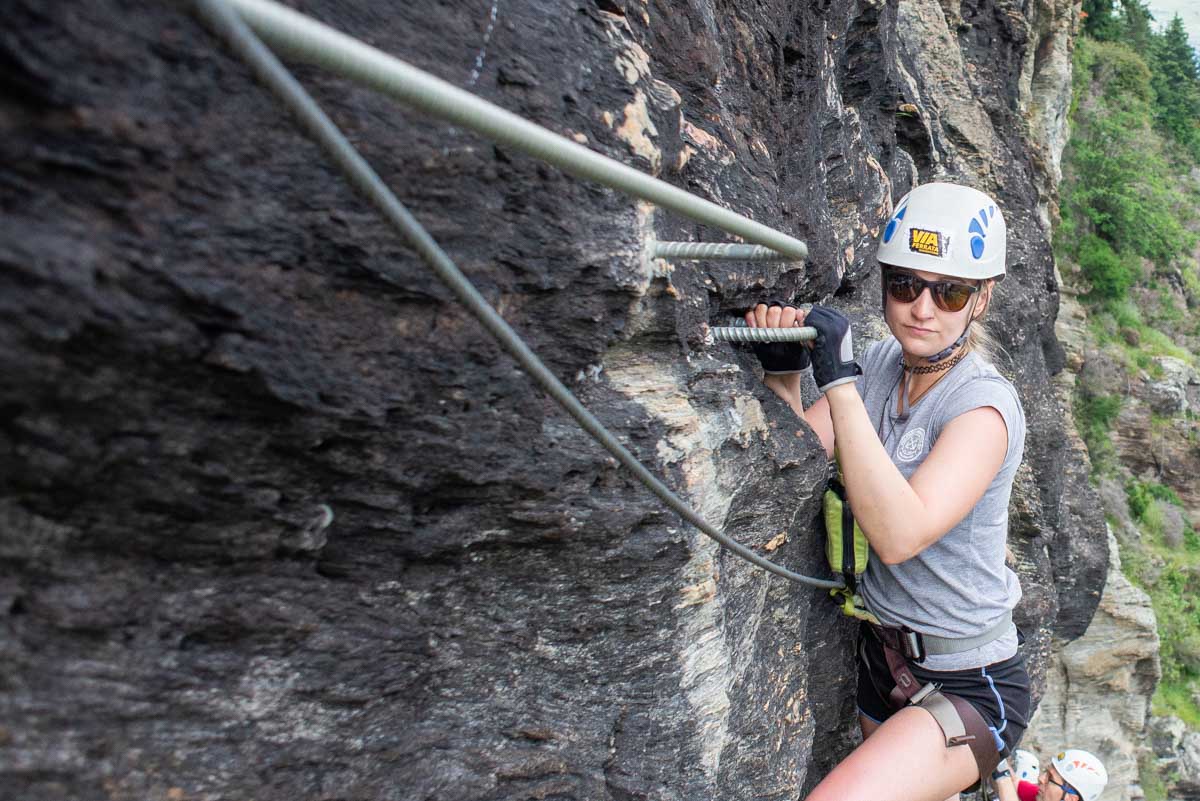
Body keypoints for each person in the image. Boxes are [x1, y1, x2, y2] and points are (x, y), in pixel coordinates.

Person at [744, 182, 1031, 801]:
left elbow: (902, 534)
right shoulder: (877, 368)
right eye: (905, 285)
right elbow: (793, 459)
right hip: (885, 659)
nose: (922, 308)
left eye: (948, 291)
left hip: (970, 680)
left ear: (980, 300)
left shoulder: (983, 408)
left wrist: (839, 383)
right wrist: (786, 374)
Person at [992, 748, 1107, 801]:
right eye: (1046, 773)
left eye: (1050, 778)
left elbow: (1005, 781)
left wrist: (1002, 777)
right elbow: (1015, 784)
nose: (1041, 779)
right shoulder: (1042, 796)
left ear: (1070, 798)